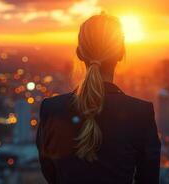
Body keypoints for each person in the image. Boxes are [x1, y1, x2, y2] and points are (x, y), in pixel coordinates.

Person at [36, 13, 161, 184]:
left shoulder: (52, 109)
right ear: (121, 52)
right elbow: (148, 179)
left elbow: (51, 173)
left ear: (79, 53)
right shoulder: (140, 113)